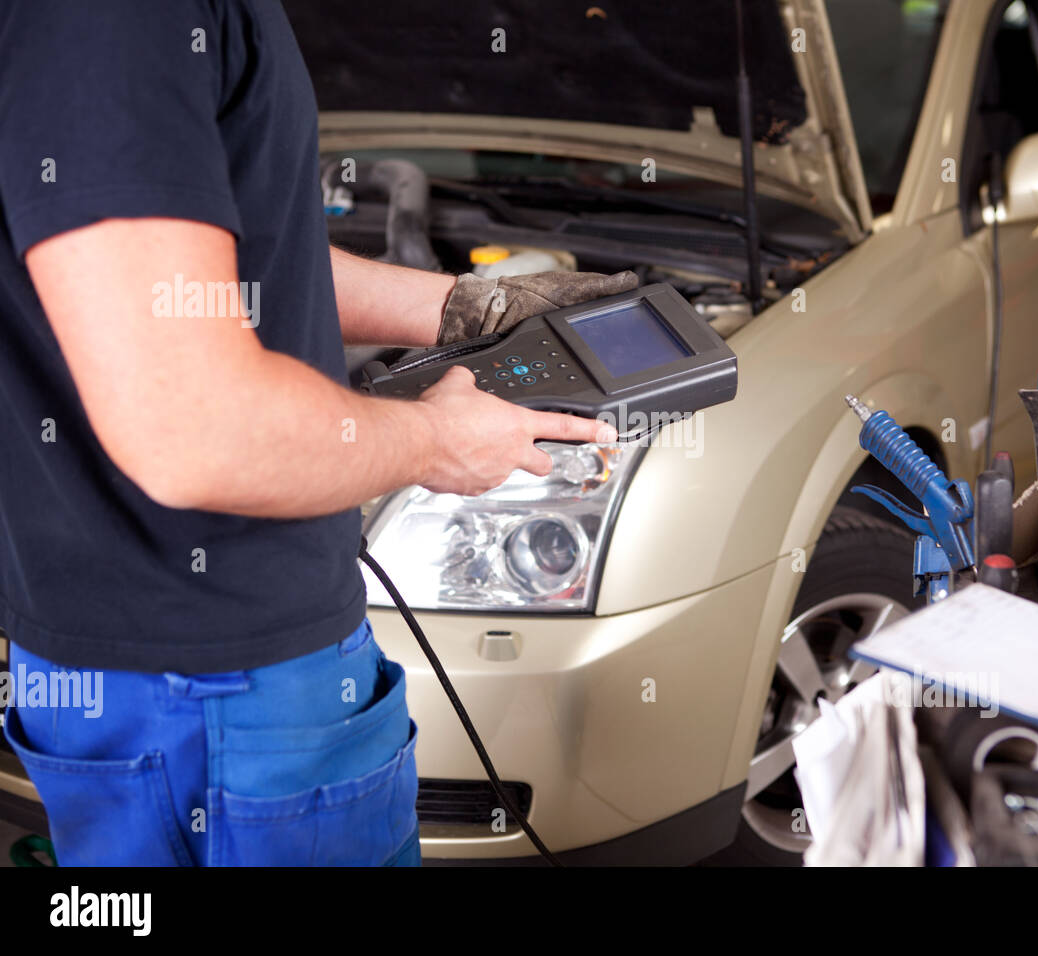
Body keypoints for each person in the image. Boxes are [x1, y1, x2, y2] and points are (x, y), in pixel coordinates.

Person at [0, 1, 632, 865]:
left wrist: (461, 307)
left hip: (172, 673)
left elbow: (209, 259)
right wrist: (433, 442)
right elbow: (195, 429)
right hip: (213, 686)